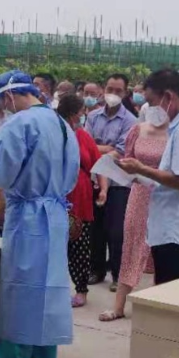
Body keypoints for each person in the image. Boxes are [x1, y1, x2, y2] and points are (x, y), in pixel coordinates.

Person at [0, 71, 79, 358]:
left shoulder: (17, 125)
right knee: (47, 297)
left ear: (7, 97)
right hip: (55, 215)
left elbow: (1, 176)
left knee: (19, 298)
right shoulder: (62, 125)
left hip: (28, 219)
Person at [118, 69, 179, 284]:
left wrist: (142, 169)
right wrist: (141, 175)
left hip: (177, 233)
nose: (150, 109)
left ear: (168, 96)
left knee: (173, 295)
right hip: (176, 230)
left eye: (152, 102)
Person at [100, 98, 170, 322]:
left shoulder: (177, 132)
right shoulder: (137, 130)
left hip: (164, 197)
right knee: (131, 245)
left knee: (161, 249)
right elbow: (127, 160)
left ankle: (159, 306)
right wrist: (115, 163)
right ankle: (119, 305)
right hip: (139, 194)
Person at [85, 73, 137, 290]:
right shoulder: (93, 116)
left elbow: (120, 152)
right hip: (95, 179)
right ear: (103, 89)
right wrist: (105, 149)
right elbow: (85, 146)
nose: (113, 94)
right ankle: (96, 270)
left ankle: (117, 274)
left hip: (118, 183)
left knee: (116, 231)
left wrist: (98, 149)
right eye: (109, 89)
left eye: (118, 91)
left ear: (125, 93)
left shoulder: (131, 121)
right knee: (95, 228)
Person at [57, 94, 106, 309]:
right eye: (80, 113)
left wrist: (103, 188)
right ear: (72, 114)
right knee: (56, 245)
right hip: (57, 195)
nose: (83, 116)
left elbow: (98, 163)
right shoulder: (54, 134)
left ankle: (81, 289)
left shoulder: (83, 136)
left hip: (81, 196)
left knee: (80, 244)